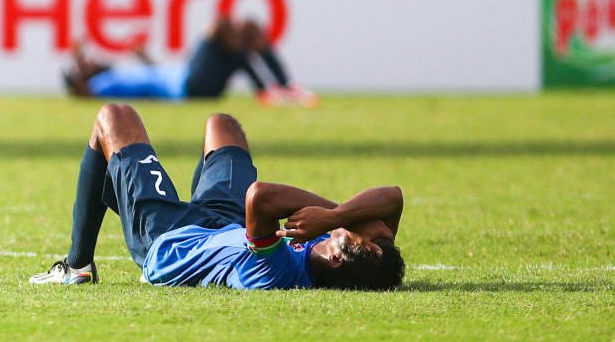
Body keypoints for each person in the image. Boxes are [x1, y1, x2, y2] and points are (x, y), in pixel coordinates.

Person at [30, 104, 404, 290]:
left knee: (113, 117)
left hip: (171, 241)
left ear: (337, 259)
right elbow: (392, 199)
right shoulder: (347, 252)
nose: (363, 232)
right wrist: (336, 217)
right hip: (227, 223)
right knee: (222, 125)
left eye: (355, 237)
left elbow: (259, 198)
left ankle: (77, 267)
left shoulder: (280, 272)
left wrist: (330, 218)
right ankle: (126, 189)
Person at [63, 16, 315, 106]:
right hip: (189, 86)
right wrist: (75, 56)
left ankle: (280, 88)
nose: (92, 61)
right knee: (218, 26)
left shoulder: (116, 77)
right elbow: (82, 94)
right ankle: (277, 89)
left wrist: (143, 57)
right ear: (81, 79)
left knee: (244, 41)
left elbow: (157, 77)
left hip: (193, 84)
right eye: (84, 66)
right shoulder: (101, 86)